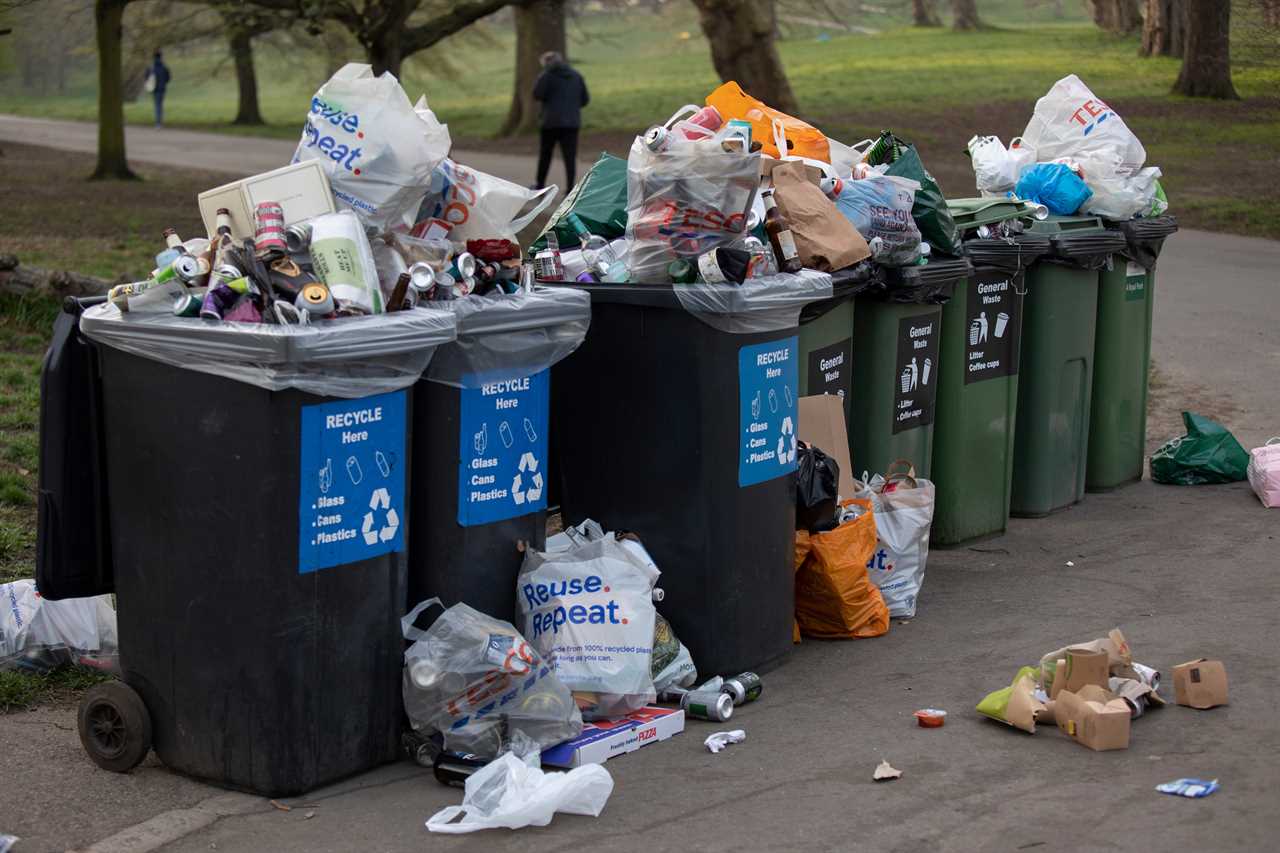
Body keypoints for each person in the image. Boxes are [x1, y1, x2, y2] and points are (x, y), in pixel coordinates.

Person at [532, 51, 588, 191]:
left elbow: (537, 94)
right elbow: (585, 99)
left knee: (546, 155)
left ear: (546, 63)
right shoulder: (576, 75)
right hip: (571, 123)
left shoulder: (546, 76)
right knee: (570, 157)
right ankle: (570, 189)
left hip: (550, 123)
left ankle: (540, 185)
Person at [145, 50, 171, 128]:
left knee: (157, 105)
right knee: (159, 105)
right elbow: (168, 78)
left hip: (154, 89)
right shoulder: (164, 67)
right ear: (161, 56)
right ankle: (159, 122)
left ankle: (158, 123)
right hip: (162, 88)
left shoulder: (150, 67)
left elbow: (146, 77)